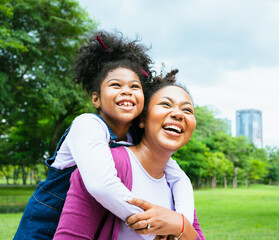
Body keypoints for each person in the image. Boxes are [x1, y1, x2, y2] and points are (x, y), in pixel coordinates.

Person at [14, 31, 200, 240]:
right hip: (43, 229)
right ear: (96, 99)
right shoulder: (87, 125)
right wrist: (151, 224)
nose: (127, 91)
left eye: (134, 86)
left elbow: (179, 178)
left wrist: (180, 223)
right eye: (116, 85)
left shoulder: (132, 140)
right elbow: (101, 185)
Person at [54, 73, 205, 240]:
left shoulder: (176, 185)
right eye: (165, 104)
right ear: (142, 119)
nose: (178, 114)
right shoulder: (106, 166)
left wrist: (181, 225)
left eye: (187, 110)